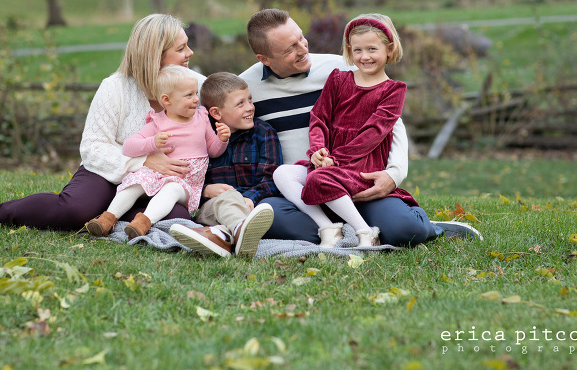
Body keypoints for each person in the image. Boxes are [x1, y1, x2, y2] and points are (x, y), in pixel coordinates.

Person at [0, 14, 202, 230]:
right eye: (181, 48)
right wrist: (142, 162)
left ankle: (109, 216)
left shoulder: (197, 87)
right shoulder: (116, 88)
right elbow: (93, 147)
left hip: (162, 181)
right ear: (155, 54)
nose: (190, 53)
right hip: (107, 171)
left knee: (174, 217)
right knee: (74, 211)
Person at [240, 8, 482, 245]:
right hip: (302, 193)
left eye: (301, 38)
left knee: (405, 230)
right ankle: (345, 230)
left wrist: (394, 173)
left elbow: (391, 124)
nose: (303, 49)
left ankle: (422, 226)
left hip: (356, 177)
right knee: (267, 215)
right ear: (265, 59)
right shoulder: (245, 88)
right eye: (290, 49)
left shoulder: (340, 69)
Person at [273, 14, 419, 248]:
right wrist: (317, 150)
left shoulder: (393, 90)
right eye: (358, 50)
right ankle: (328, 228)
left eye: (372, 49)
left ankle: (365, 232)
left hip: (362, 167)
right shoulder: (339, 79)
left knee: (319, 177)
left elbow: (373, 133)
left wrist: (335, 159)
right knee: (283, 174)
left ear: (389, 49)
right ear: (350, 50)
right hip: (330, 165)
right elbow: (319, 116)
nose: (365, 56)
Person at [85, 65, 230, 239]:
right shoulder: (157, 122)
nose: (196, 100)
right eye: (189, 95)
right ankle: (107, 219)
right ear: (167, 100)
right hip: (157, 174)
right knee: (136, 183)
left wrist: (221, 140)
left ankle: (143, 222)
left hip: (186, 181)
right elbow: (129, 147)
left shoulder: (201, 118)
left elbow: (212, 150)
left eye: (196, 93)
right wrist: (152, 143)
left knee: (172, 189)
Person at [169, 72, 279, 258]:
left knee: (241, 204)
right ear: (216, 113)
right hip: (211, 207)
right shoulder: (199, 137)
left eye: (250, 100)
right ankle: (241, 229)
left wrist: (250, 197)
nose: (250, 107)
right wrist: (205, 190)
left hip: (253, 205)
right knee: (226, 199)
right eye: (240, 103)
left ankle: (221, 236)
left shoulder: (263, 133)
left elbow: (272, 178)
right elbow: (182, 176)